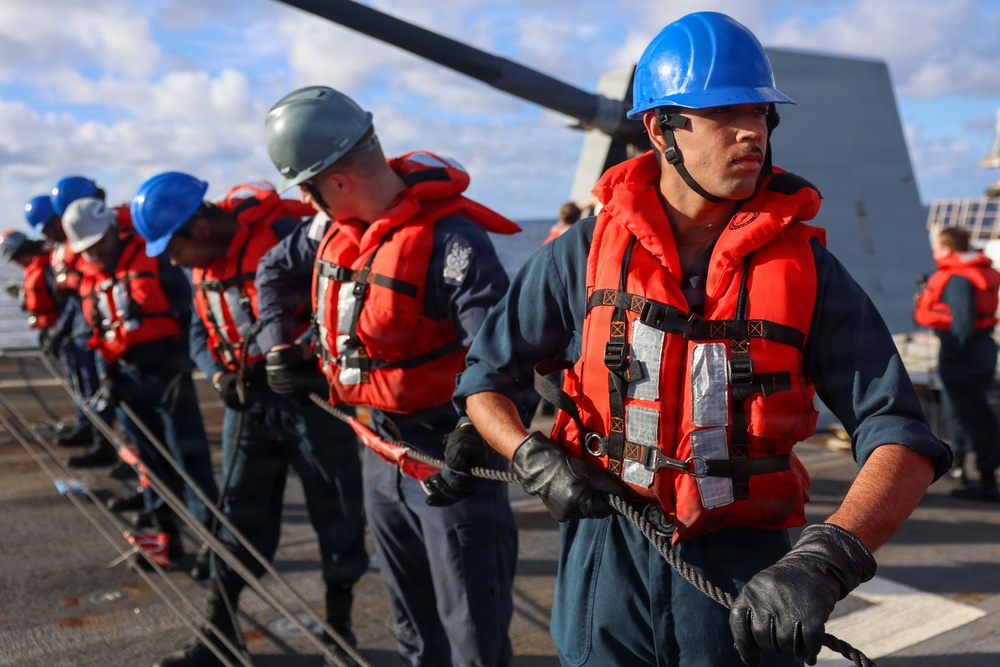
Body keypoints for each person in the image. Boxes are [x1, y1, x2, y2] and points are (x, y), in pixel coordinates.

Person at [455, 12, 952, 667]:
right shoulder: (579, 256)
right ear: (662, 130)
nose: (755, 129)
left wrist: (830, 555)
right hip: (608, 558)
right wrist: (528, 455)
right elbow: (485, 379)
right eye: (726, 113)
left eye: (762, 112)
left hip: (750, 576)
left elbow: (902, 435)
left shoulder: (807, 271)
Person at [264, 85, 523, 666]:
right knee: (412, 625)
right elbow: (273, 271)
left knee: (472, 633)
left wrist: (476, 438)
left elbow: (505, 361)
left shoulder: (451, 243)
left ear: (335, 182)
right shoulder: (331, 231)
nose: (305, 204)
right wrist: (279, 347)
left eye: (306, 190)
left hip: (448, 464)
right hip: (379, 452)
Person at [130, 172, 367, 667]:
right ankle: (221, 633)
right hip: (248, 408)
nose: (171, 263)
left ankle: (339, 630)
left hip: (311, 402)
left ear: (199, 229)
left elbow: (345, 307)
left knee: (337, 510)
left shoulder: (285, 238)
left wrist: (301, 359)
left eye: (172, 249)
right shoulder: (202, 268)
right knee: (234, 512)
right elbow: (199, 333)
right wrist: (220, 378)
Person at [60, 197, 221, 569]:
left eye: (99, 242)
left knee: (190, 462)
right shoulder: (92, 277)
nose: (96, 253)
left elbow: (190, 314)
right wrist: (107, 377)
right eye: (88, 248)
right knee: (148, 464)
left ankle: (215, 548)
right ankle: (167, 540)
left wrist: (183, 370)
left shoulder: (156, 258)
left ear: (114, 230)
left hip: (167, 376)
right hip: (127, 380)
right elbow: (98, 334)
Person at [25, 191, 116, 460]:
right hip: (78, 333)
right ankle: (92, 432)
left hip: (89, 335)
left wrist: (61, 330)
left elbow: (81, 298)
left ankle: (103, 444)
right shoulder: (62, 251)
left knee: (97, 389)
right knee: (85, 387)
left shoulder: (84, 252)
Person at [914, 226, 1000, 501]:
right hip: (976, 351)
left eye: (937, 247)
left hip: (965, 355)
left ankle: (987, 479)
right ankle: (960, 467)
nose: (934, 253)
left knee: (974, 414)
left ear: (948, 249)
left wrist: (952, 354)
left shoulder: (958, 279)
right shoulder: (963, 275)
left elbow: (961, 326)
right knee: (957, 410)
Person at [1, 229, 64, 335]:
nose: (18, 263)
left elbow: (67, 304)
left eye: (17, 259)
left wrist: (60, 330)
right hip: (52, 331)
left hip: (62, 332)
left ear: (23, 252)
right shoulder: (33, 270)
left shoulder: (48, 270)